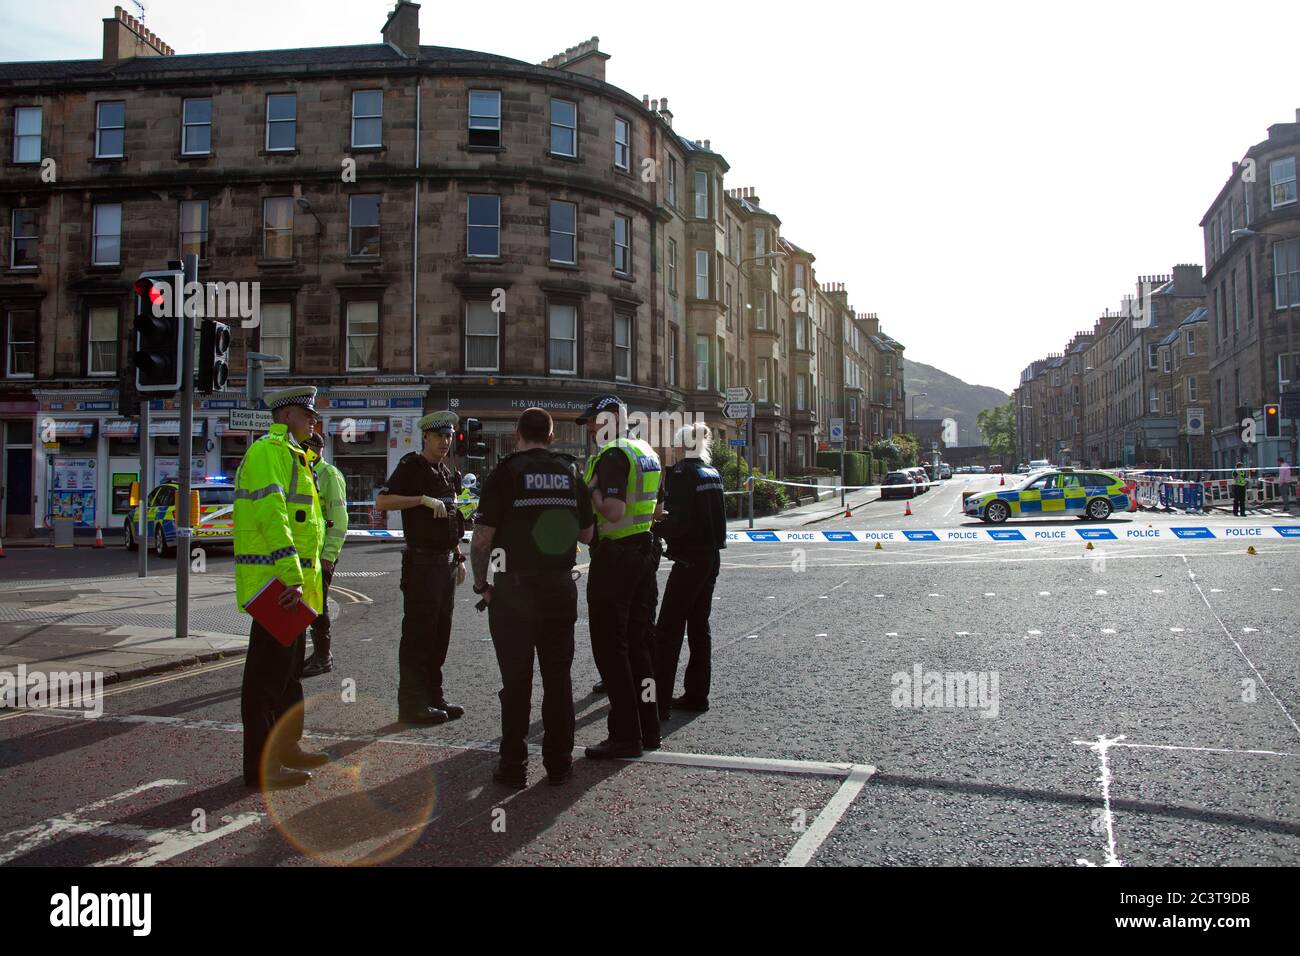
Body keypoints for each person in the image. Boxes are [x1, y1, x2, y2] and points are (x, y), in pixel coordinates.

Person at [472, 408, 595, 789]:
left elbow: (481, 540)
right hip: (559, 587)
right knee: (558, 680)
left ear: (517, 434)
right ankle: (559, 766)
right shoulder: (571, 471)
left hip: (514, 590)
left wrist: (482, 586)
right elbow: (588, 536)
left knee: (516, 682)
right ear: (552, 435)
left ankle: (513, 767)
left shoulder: (505, 472)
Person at [234, 386, 331, 790]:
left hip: (295, 588)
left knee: (289, 676)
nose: (313, 421)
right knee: (265, 682)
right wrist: (291, 574)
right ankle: (260, 767)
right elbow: (273, 516)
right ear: (288, 414)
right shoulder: (266, 452)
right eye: (307, 414)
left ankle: (288, 749)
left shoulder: (294, 457)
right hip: (275, 585)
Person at [579, 395, 663, 759]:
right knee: (641, 646)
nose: (590, 429)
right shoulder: (645, 450)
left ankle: (624, 735)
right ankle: (649, 729)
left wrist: (592, 491)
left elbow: (612, 512)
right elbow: (659, 510)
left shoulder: (613, 455)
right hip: (644, 553)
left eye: (594, 422)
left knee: (613, 650)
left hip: (615, 559)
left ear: (612, 419)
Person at [375, 411, 467, 725]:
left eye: (449, 436)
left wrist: (459, 555)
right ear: (425, 437)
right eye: (440, 436)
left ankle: (434, 696)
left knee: (440, 634)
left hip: (445, 563)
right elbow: (382, 502)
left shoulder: (446, 471)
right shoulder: (410, 466)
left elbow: (452, 515)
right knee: (418, 636)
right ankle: (411, 704)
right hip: (422, 563)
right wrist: (421, 500)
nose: (445, 441)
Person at [653, 422, 727, 720]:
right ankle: (698, 695)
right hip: (711, 558)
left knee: (668, 630)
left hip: (689, 560)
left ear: (683, 446)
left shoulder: (683, 474)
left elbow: (677, 519)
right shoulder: (713, 473)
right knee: (699, 626)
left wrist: (655, 527)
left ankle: (657, 702)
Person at [301, 431, 348, 678]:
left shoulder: (328, 474)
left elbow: (339, 519)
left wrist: (329, 556)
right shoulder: (304, 471)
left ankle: (323, 656)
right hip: (306, 554)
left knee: (318, 605)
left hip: (321, 555)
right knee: (308, 604)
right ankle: (317, 654)